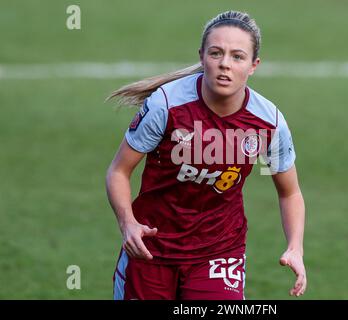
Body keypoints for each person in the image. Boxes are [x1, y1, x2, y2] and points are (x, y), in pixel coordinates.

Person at [106, 10, 306, 300]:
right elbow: (119, 172)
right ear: (202, 56)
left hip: (219, 251)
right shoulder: (166, 104)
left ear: (253, 65)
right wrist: (128, 224)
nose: (225, 64)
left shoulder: (268, 122)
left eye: (237, 56)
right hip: (151, 248)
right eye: (216, 53)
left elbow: (290, 192)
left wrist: (295, 247)